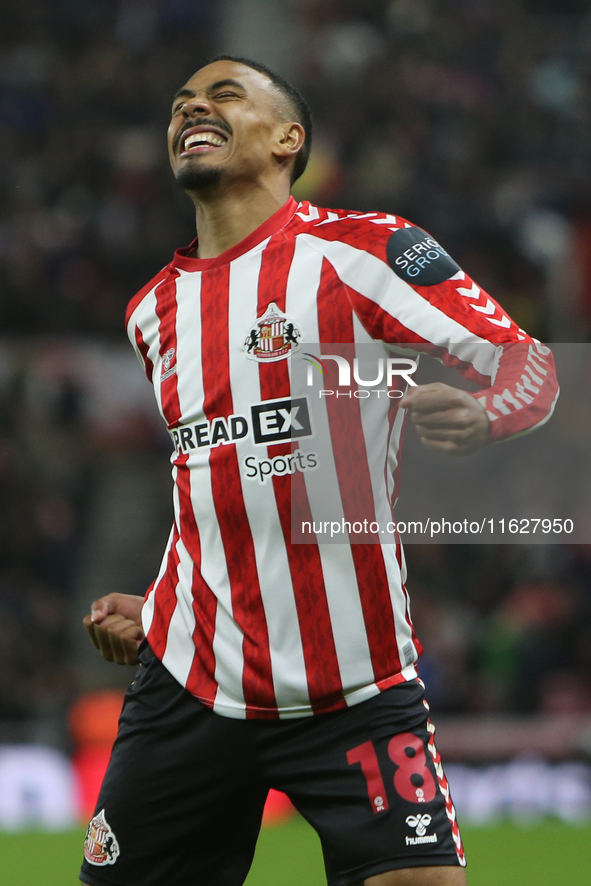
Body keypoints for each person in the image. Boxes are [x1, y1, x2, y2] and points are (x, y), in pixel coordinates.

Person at [80, 56, 558, 886]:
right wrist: (162, 604)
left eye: (223, 95)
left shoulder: (365, 251)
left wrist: (486, 416)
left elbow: (528, 365)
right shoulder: (151, 311)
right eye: (181, 103)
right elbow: (214, 481)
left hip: (356, 681)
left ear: (287, 139)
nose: (193, 108)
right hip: (191, 685)